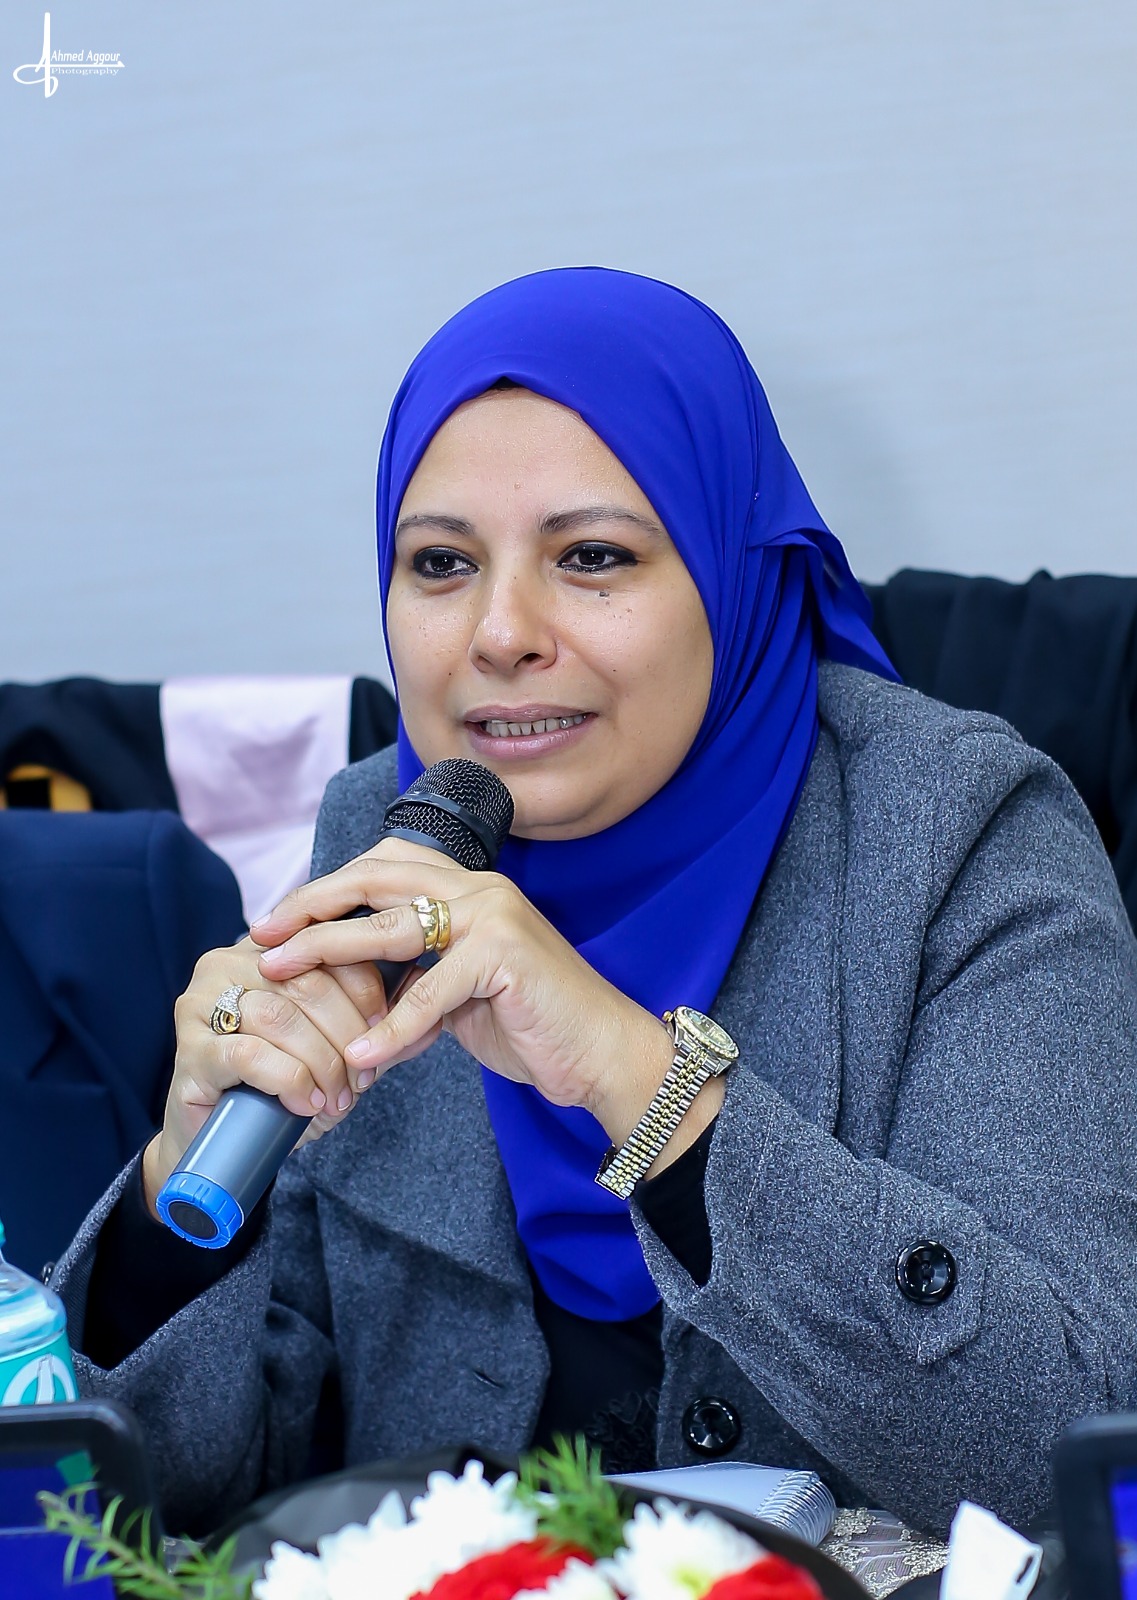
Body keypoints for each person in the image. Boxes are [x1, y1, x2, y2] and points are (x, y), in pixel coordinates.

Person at [54, 268, 1137, 1541]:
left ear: (734, 574)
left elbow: (1071, 1457)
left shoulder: (962, 835)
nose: (500, 632)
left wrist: (638, 1077)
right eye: (442, 563)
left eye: (593, 557)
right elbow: (169, 1509)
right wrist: (178, 1209)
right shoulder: (384, 841)